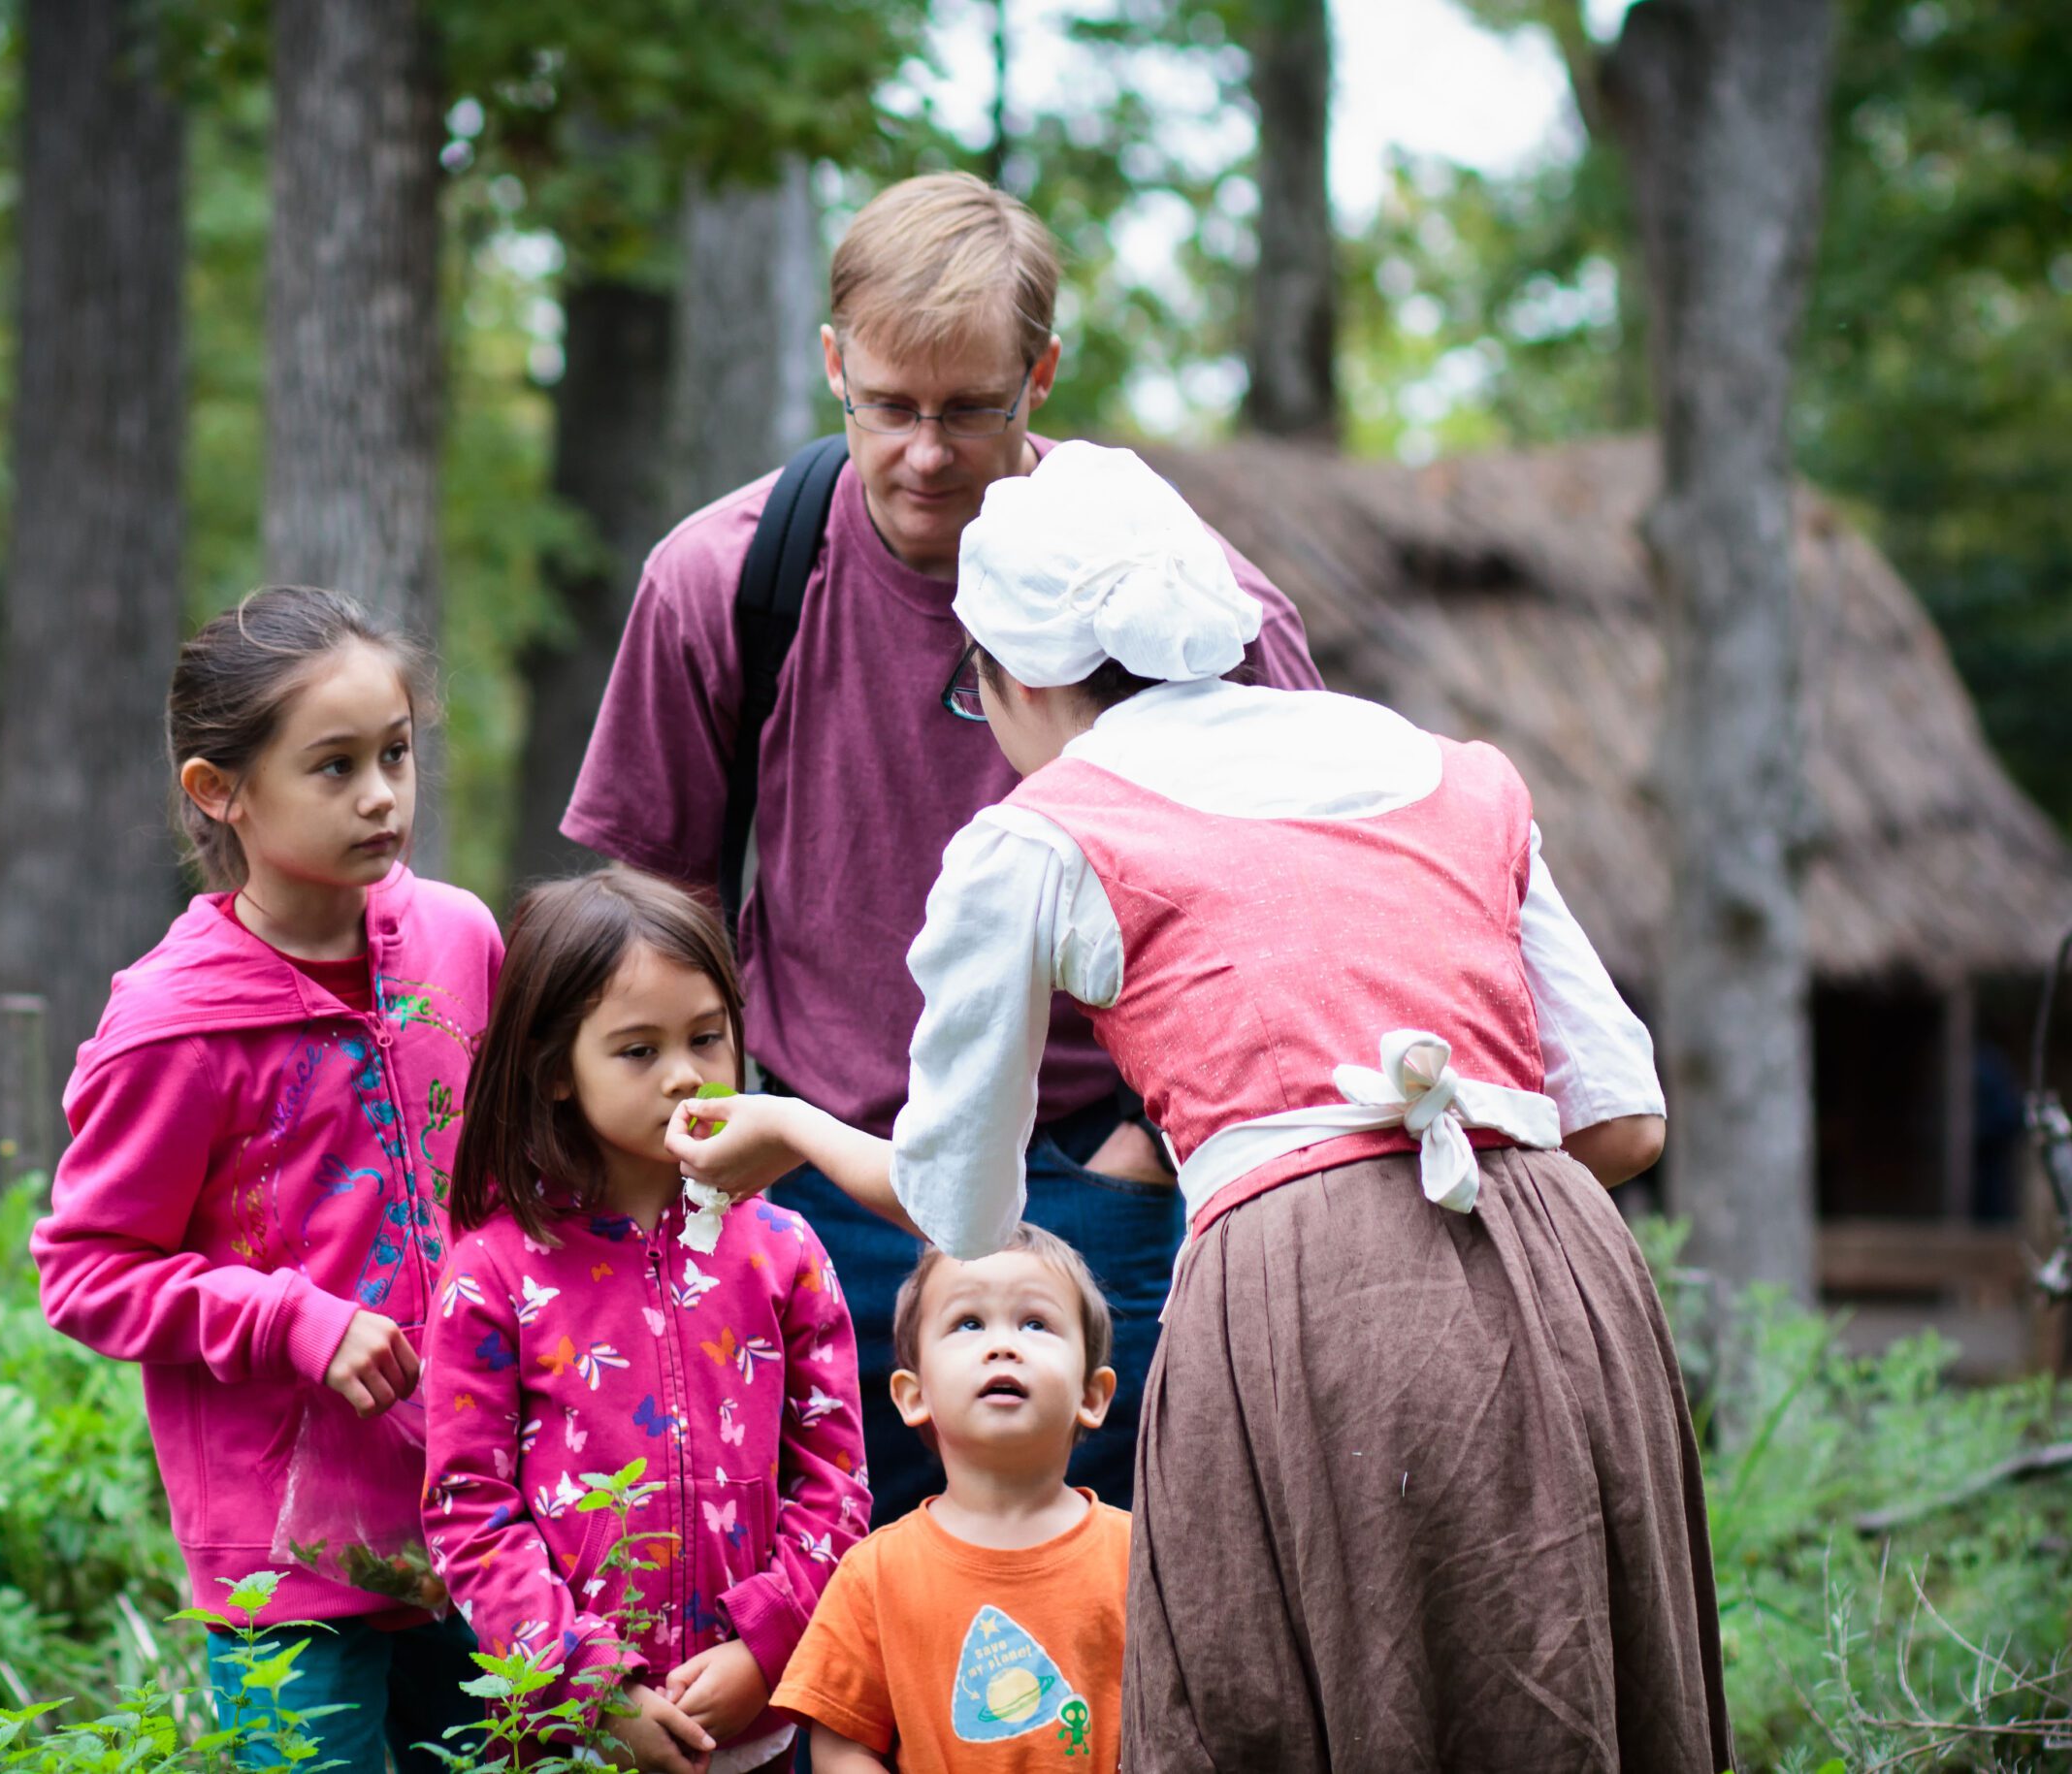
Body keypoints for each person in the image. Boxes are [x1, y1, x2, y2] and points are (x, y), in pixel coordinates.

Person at [671, 444, 1734, 1772]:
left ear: (1021, 674)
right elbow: (1624, 1117)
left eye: (975, 691)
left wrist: (792, 1132)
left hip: (1302, 1295)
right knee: (1561, 1680)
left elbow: (966, 1206)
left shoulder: (1041, 835)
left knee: (1293, 1701)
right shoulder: (1450, 768)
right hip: (1566, 1272)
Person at [562, 170, 1322, 1524]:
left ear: (1040, 375)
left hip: (1085, 1176)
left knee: (1072, 1615)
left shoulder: (1190, 609)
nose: (924, 454)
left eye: (970, 410)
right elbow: (647, 905)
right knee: (811, 1610)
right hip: (804, 1160)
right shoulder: (730, 575)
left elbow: (1297, 889)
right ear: (833, 366)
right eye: (890, 407)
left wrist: (1142, 1148)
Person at [32, 586, 502, 1773]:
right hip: (286, 1565)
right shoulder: (169, 1026)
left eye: (395, 752)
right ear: (219, 790)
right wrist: (292, 1316)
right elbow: (88, 1272)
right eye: (333, 767)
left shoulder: (459, 941)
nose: (383, 795)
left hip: (482, 1518)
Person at [423, 869, 870, 1774]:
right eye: (637, 1049)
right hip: (568, 1743)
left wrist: (768, 1644)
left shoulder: (784, 1250)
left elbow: (836, 1477)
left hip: (755, 1729)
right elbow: (469, 1510)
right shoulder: (492, 1274)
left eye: (707, 1036)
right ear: (555, 1073)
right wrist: (588, 1686)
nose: (685, 1074)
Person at [773, 1229, 1131, 1773]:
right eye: (969, 1323)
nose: (1003, 1344)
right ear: (915, 1397)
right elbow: (842, 1743)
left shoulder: (1142, 1558)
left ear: (1092, 1395)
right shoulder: (875, 1573)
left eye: (1036, 1323)